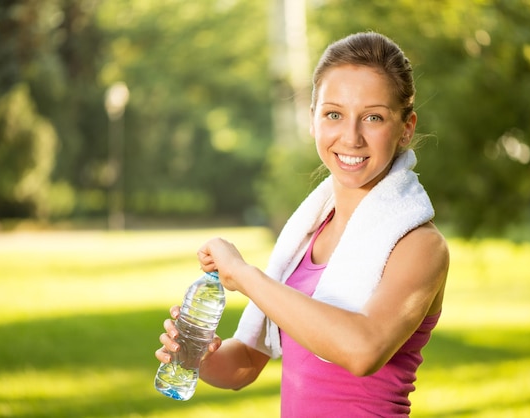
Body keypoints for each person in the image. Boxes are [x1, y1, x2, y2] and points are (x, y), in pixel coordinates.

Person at [156, 31, 449, 417]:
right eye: (333, 114)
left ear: (406, 128)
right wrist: (196, 355)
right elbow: (244, 362)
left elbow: (363, 351)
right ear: (312, 119)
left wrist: (245, 276)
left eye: (373, 117)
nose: (351, 136)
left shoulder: (420, 246)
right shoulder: (308, 234)